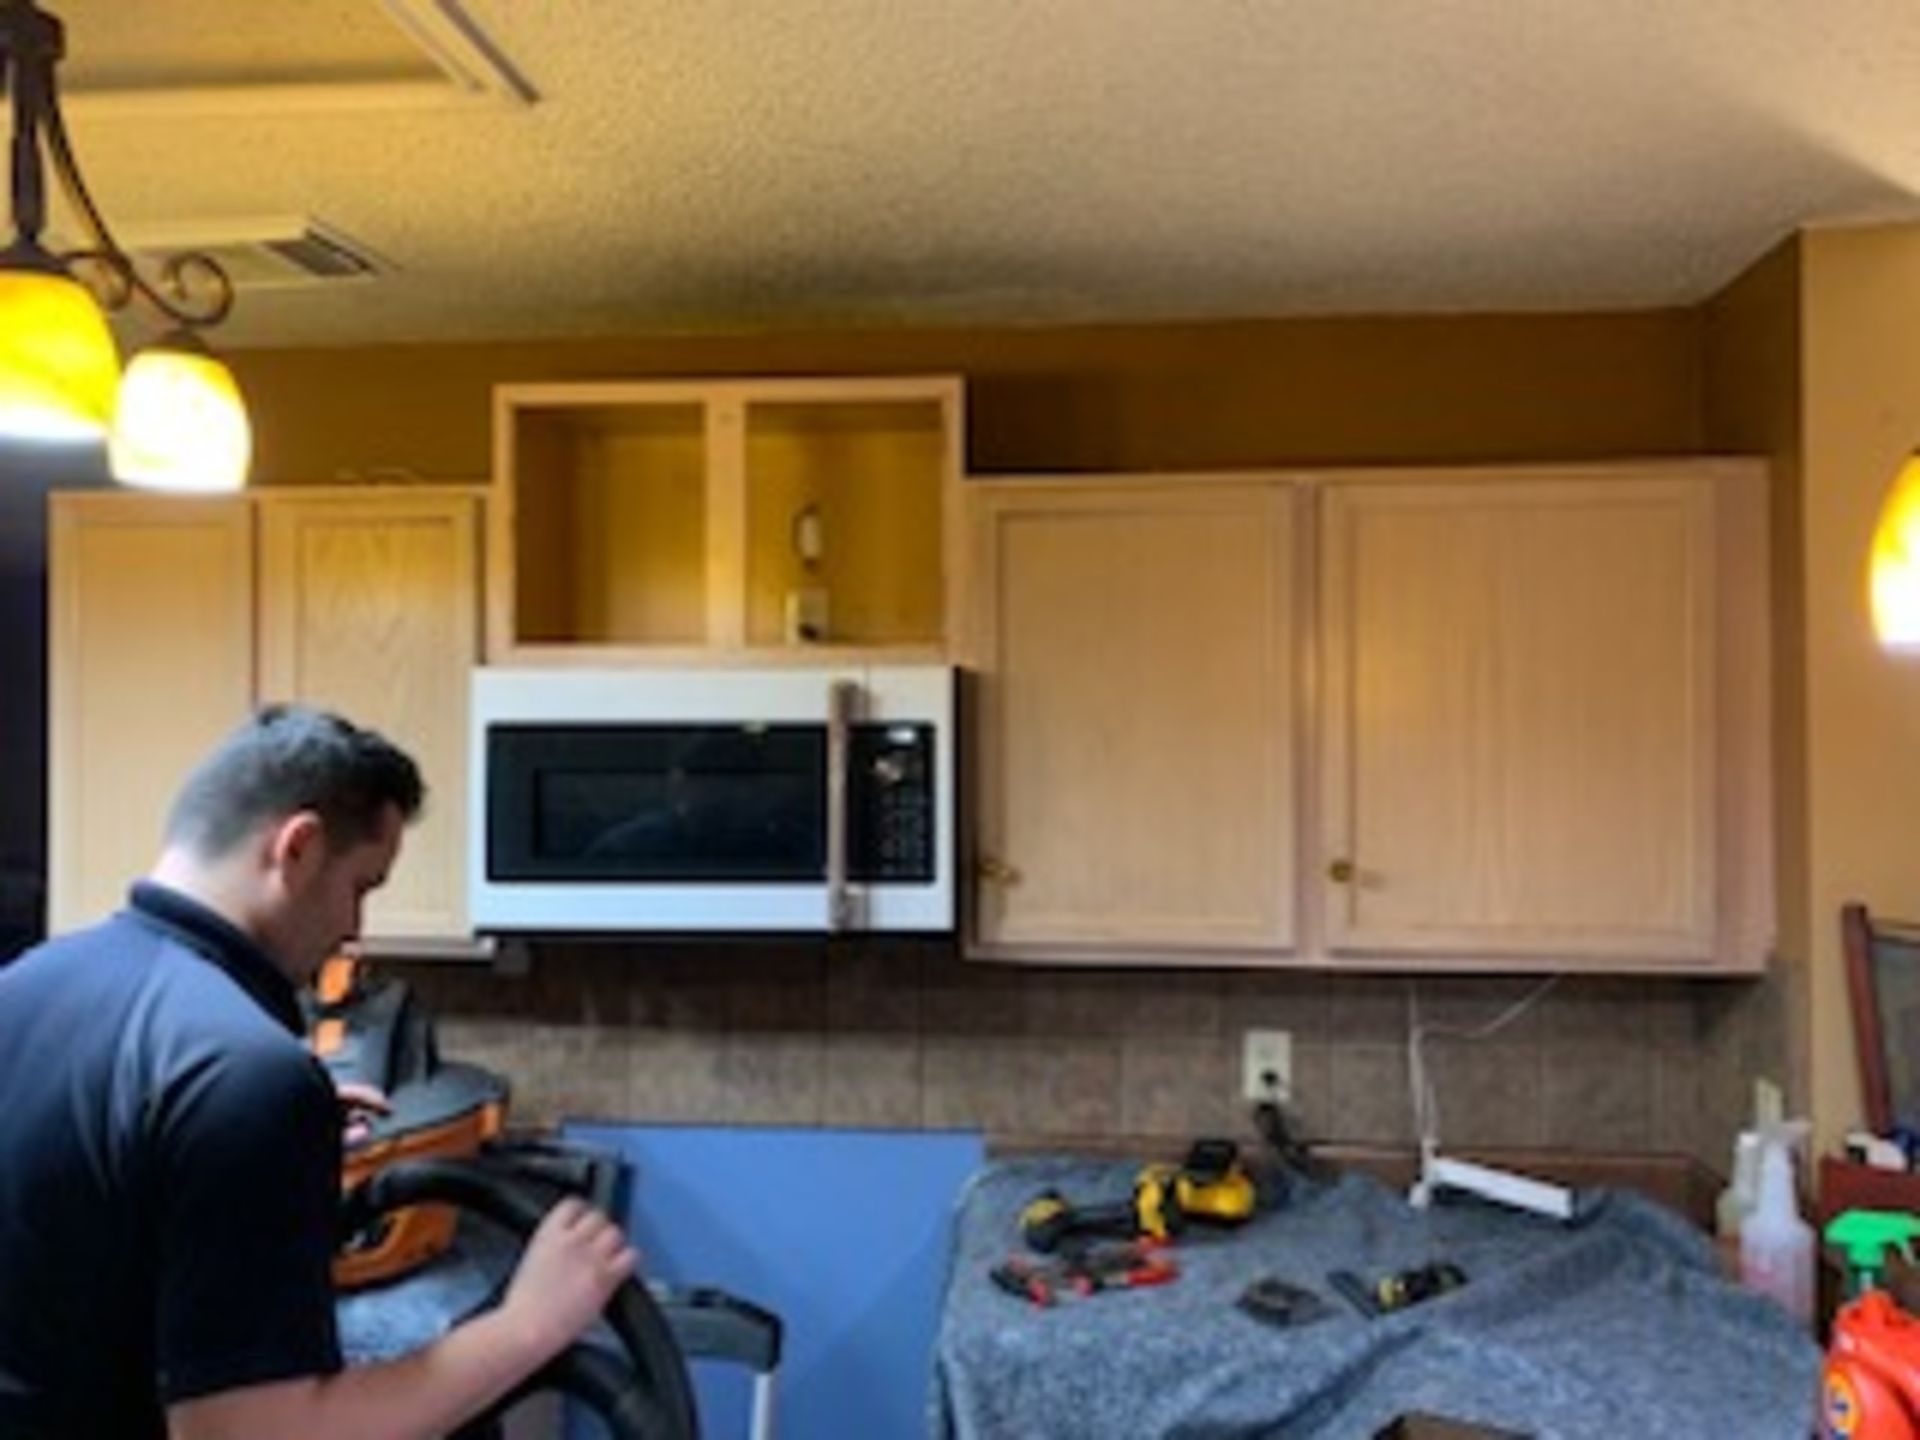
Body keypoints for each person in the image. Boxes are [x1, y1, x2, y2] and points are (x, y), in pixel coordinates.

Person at [0, 705, 637, 1439]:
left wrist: (254, 1137)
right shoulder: (245, 1073)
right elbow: (250, 1433)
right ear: (297, 849)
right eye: (361, 886)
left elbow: (83, 1207)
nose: (354, 929)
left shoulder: (25, 985)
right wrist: (531, 1323)